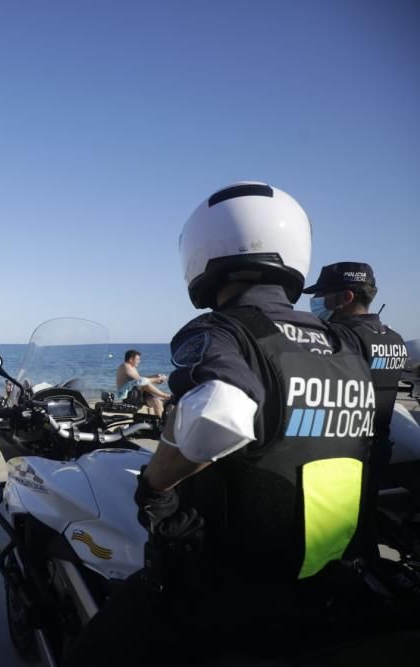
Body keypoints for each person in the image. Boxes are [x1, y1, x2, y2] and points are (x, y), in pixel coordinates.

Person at [66, 182, 377, 664]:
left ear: (201, 254)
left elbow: (220, 413)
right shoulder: (345, 347)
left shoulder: (226, 331)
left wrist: (154, 485)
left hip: (225, 591)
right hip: (323, 583)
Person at [304, 262, 410, 560]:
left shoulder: (340, 338)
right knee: (362, 527)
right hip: (377, 448)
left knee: (330, 540)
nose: (317, 301)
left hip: (340, 455)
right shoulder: (394, 338)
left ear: (346, 297)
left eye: (323, 294)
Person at [115, 349, 171, 417]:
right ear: (131, 359)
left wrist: (155, 376)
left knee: (156, 402)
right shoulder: (125, 366)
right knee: (144, 384)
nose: (139, 361)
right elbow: (140, 381)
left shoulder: (132, 367)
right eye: (138, 359)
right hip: (129, 397)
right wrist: (155, 379)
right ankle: (164, 396)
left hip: (138, 395)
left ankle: (160, 423)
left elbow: (139, 379)